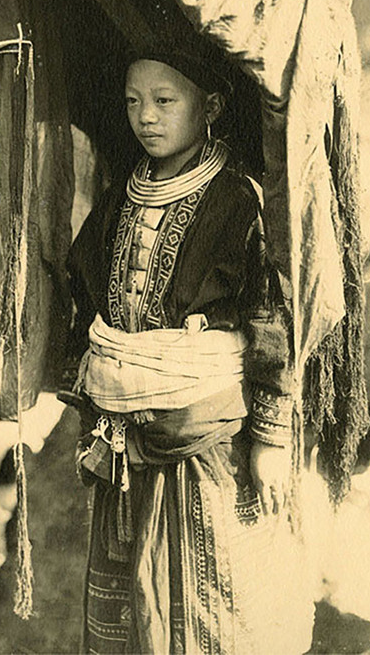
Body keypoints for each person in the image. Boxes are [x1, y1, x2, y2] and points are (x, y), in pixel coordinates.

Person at [60, 49, 315, 655]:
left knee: (213, 612)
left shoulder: (237, 203)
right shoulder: (120, 199)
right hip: (128, 440)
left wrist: (273, 440)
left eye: (164, 101)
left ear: (212, 108)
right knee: (133, 612)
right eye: (132, 101)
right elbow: (88, 297)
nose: (145, 116)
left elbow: (270, 318)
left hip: (208, 445)